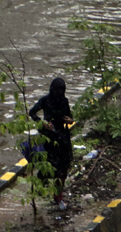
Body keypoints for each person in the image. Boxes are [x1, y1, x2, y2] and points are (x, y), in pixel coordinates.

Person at [28, 77, 74, 207]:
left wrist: (70, 121)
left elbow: (70, 117)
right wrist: (42, 122)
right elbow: (32, 112)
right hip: (49, 136)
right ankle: (41, 188)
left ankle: (58, 195)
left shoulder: (64, 101)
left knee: (63, 167)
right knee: (50, 165)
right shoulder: (45, 100)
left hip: (63, 137)